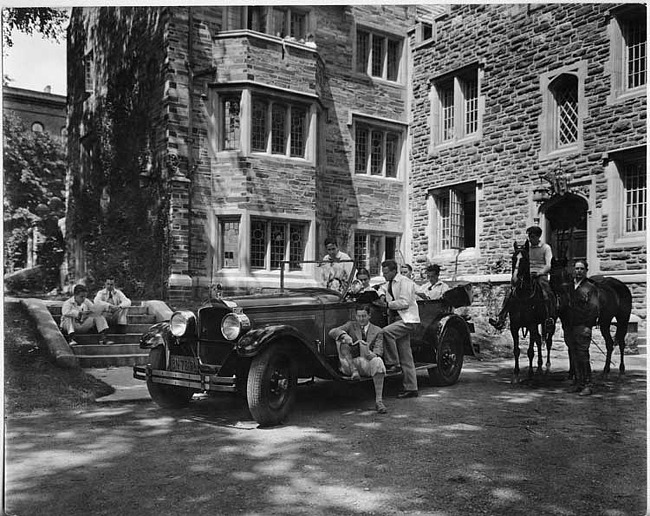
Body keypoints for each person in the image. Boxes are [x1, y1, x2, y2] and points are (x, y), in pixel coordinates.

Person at [489, 225, 555, 331]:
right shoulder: (526, 248)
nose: (530, 239)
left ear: (538, 237)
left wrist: (539, 272)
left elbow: (549, 265)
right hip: (526, 275)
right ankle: (501, 318)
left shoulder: (546, 248)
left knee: (546, 293)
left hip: (540, 275)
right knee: (510, 292)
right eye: (529, 236)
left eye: (533, 236)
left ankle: (548, 318)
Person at [329, 304, 387, 413]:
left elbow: (379, 351)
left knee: (378, 362)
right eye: (359, 316)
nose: (361, 319)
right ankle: (354, 371)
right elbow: (332, 331)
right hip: (350, 363)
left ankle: (379, 401)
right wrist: (344, 335)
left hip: (366, 362)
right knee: (342, 341)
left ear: (369, 316)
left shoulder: (378, 330)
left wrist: (372, 354)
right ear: (355, 316)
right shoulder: (351, 325)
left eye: (364, 316)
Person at [376, 259, 420, 398]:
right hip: (398, 319)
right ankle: (411, 388)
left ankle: (393, 363)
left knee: (385, 332)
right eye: (383, 273)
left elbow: (405, 302)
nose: (384, 275)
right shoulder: (389, 282)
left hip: (407, 319)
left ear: (394, 271)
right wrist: (382, 295)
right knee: (406, 356)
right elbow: (382, 288)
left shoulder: (405, 282)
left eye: (386, 273)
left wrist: (387, 305)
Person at [565, 260, 599, 396]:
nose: (578, 271)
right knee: (573, 355)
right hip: (570, 326)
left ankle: (587, 385)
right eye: (576, 268)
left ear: (586, 271)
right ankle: (578, 383)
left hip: (582, 326)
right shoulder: (569, 287)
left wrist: (588, 326)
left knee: (583, 356)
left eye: (581, 268)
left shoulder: (590, 288)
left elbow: (594, 308)